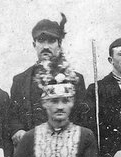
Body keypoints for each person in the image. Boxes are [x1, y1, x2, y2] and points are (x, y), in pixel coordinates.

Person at [8, 14, 87, 149]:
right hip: (32, 148)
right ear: (34, 45)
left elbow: (82, 117)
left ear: (59, 44)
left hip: (66, 147)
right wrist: (18, 130)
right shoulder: (20, 80)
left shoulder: (75, 79)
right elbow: (13, 116)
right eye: (41, 41)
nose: (45, 46)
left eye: (51, 41)